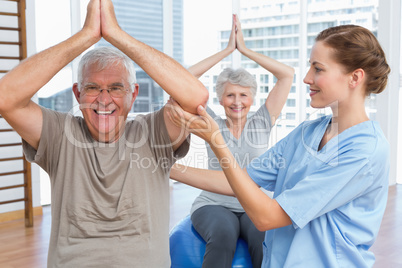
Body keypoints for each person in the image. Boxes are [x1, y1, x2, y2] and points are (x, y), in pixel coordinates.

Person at [0, 0, 208, 267]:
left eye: (116, 88)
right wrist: (87, 35)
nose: (103, 99)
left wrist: (116, 34)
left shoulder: (153, 132)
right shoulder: (59, 134)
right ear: (77, 93)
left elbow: (195, 97)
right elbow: (6, 98)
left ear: (133, 95)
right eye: (92, 88)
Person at [167, 24, 390, 267]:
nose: (306, 78)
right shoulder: (308, 132)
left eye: (317, 68)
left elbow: (266, 217)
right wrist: (167, 169)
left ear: (354, 78)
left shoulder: (364, 152)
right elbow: (241, 179)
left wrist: (216, 141)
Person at [170, 14, 294, 268]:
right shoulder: (209, 121)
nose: (237, 102)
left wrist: (245, 50)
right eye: (230, 95)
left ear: (252, 98)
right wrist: (227, 51)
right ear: (220, 98)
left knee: (263, 241)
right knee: (223, 237)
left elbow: (287, 75)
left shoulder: (263, 120)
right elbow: (178, 79)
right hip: (213, 203)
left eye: (243, 95)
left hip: (255, 203)